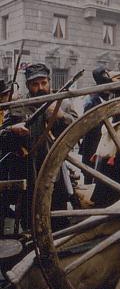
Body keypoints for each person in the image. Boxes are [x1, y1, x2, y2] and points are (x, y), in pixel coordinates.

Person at [0, 63, 77, 230]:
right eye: (35, 84)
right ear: (28, 85)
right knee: (30, 220)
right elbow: (2, 136)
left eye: (43, 83)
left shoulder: (62, 104)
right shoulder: (17, 106)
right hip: (27, 170)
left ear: (49, 82)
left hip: (54, 170)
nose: (40, 87)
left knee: (57, 217)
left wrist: (60, 116)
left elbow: (78, 128)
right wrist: (12, 130)